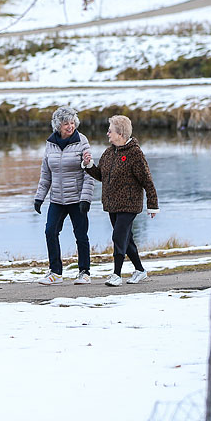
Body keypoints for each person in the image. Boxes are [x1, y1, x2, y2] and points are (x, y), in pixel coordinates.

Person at [82, 115, 159, 287]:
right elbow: (100, 175)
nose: (107, 133)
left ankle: (116, 274)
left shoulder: (135, 153)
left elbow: (147, 180)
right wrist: (88, 165)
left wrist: (152, 204)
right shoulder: (109, 152)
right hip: (112, 204)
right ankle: (140, 270)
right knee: (126, 239)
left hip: (129, 204)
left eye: (110, 130)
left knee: (118, 236)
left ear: (120, 133)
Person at [34, 106, 95, 285]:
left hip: (77, 199)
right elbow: (46, 174)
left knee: (81, 235)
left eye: (72, 122)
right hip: (57, 199)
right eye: (65, 123)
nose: (70, 126)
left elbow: (89, 172)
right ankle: (55, 272)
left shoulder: (82, 141)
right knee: (50, 231)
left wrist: (86, 199)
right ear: (57, 126)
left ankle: (84, 272)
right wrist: (39, 197)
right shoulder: (50, 144)